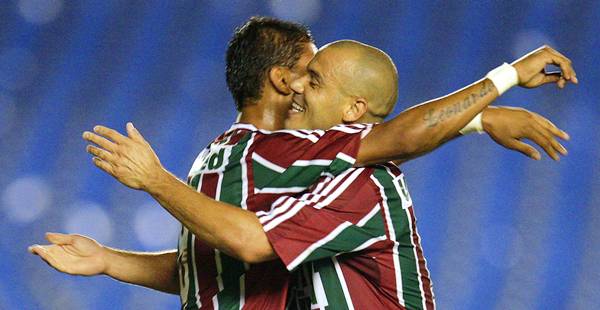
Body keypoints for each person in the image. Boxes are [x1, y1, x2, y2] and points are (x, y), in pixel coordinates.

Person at [29, 17, 575, 309]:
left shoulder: (327, 171)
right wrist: (109, 261)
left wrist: (488, 102)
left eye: (314, 79)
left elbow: (393, 139)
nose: (298, 89)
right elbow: (224, 269)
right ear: (278, 78)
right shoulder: (267, 160)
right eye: (303, 74)